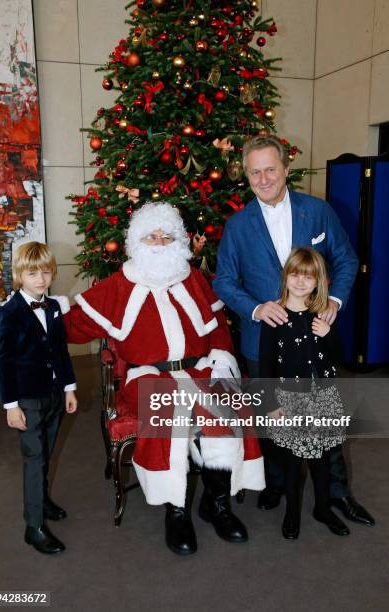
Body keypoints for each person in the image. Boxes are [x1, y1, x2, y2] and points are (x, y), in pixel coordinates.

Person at [61, 202, 265, 555]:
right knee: (170, 417)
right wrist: (39, 313)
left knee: (229, 411)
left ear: (178, 241)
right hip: (148, 376)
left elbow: (217, 328)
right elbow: (75, 324)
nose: (159, 243)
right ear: (138, 241)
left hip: (200, 368)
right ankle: (177, 511)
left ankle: (215, 503)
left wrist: (221, 359)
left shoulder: (192, 277)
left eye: (167, 236)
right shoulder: (119, 285)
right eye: (152, 237)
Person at [213, 134, 374, 526]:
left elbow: (347, 261)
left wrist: (333, 303)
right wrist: (255, 307)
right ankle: (278, 485)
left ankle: (336, 495)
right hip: (265, 338)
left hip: (316, 336)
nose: (264, 178)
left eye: (271, 169)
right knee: (274, 416)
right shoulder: (237, 225)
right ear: (247, 177)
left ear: (286, 169)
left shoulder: (317, 212)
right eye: (255, 172)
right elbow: (223, 281)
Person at [260, 247, 349, 539]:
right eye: (295, 274)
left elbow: (337, 356)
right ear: (286, 277)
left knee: (321, 457)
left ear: (318, 282)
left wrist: (328, 335)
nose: (300, 282)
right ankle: (291, 512)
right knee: (292, 461)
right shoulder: (274, 316)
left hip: (322, 398)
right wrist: (271, 403)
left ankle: (322, 508)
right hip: (290, 399)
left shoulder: (320, 314)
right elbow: (266, 364)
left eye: (308, 277)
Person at [0, 242, 78, 555]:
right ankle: (33, 526)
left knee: (46, 450)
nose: (41, 279)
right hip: (27, 399)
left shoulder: (54, 307)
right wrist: (11, 406)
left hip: (54, 394)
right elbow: (3, 362)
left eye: (45, 272)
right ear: (20, 274)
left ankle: (42, 501)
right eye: (33, 273)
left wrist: (69, 389)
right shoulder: (11, 311)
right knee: (34, 458)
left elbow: (61, 352)